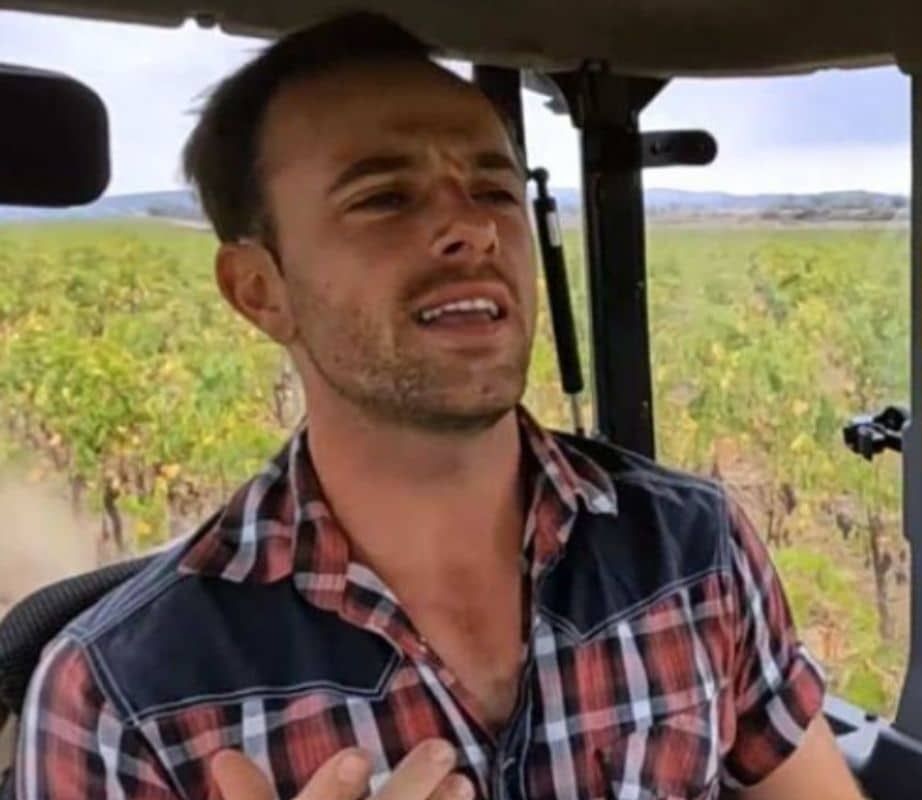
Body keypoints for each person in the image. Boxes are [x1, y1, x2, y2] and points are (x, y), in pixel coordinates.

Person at [16, 12, 863, 800]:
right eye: (385, 197)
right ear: (260, 291)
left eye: (494, 192)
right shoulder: (124, 695)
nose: (473, 231)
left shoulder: (691, 553)